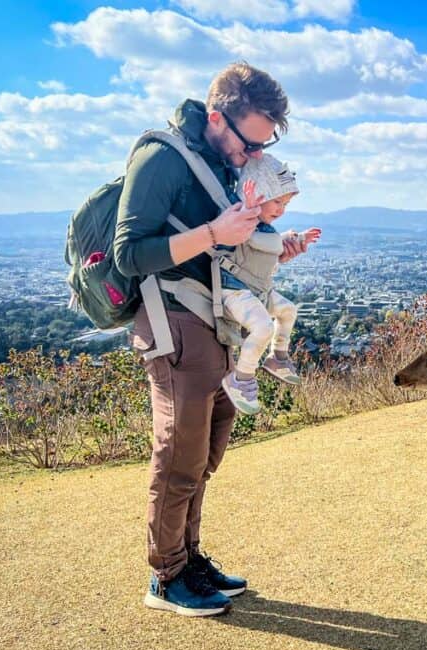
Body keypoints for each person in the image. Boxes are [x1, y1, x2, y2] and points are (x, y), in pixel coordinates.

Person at [114, 62, 303, 617]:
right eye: (250, 144)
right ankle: (166, 575)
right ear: (218, 118)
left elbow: (227, 255)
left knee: (205, 452)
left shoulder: (221, 165)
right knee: (180, 453)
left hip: (216, 322)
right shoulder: (162, 157)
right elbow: (130, 253)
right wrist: (215, 233)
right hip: (173, 320)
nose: (253, 157)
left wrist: (269, 247)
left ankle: (189, 559)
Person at [219, 156, 321, 413]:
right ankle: (242, 378)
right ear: (256, 194)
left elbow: (273, 243)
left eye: (285, 204)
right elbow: (241, 234)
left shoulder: (264, 228)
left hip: (257, 289)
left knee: (289, 310)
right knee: (262, 326)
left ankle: (278, 357)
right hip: (234, 290)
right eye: (277, 201)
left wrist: (297, 238)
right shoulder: (240, 219)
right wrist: (248, 210)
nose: (281, 210)